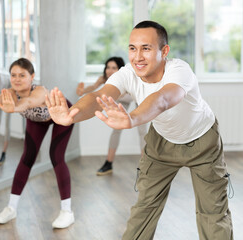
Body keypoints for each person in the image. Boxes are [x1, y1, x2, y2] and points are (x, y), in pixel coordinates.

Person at [46, 20, 233, 239]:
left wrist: (132, 118)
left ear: (164, 51)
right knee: (144, 208)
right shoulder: (127, 74)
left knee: (212, 213)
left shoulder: (179, 70)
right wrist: (71, 114)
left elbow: (162, 99)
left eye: (146, 48)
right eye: (133, 48)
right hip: (161, 142)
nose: (138, 57)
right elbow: (99, 96)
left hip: (202, 141)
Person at [0, 58, 75, 228]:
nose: (17, 79)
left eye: (22, 75)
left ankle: (67, 212)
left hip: (63, 114)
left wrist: (14, 108)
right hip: (37, 120)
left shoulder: (40, 91)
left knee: (56, 156)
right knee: (27, 158)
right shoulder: (11, 93)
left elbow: (28, 103)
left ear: (32, 76)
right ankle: (11, 208)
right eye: (13, 75)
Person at [76, 56, 147, 176]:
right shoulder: (104, 79)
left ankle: (146, 166)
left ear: (120, 69)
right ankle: (108, 163)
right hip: (123, 98)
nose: (110, 70)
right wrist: (82, 91)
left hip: (137, 97)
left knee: (142, 131)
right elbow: (93, 88)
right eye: (108, 67)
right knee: (116, 129)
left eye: (114, 68)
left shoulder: (125, 78)